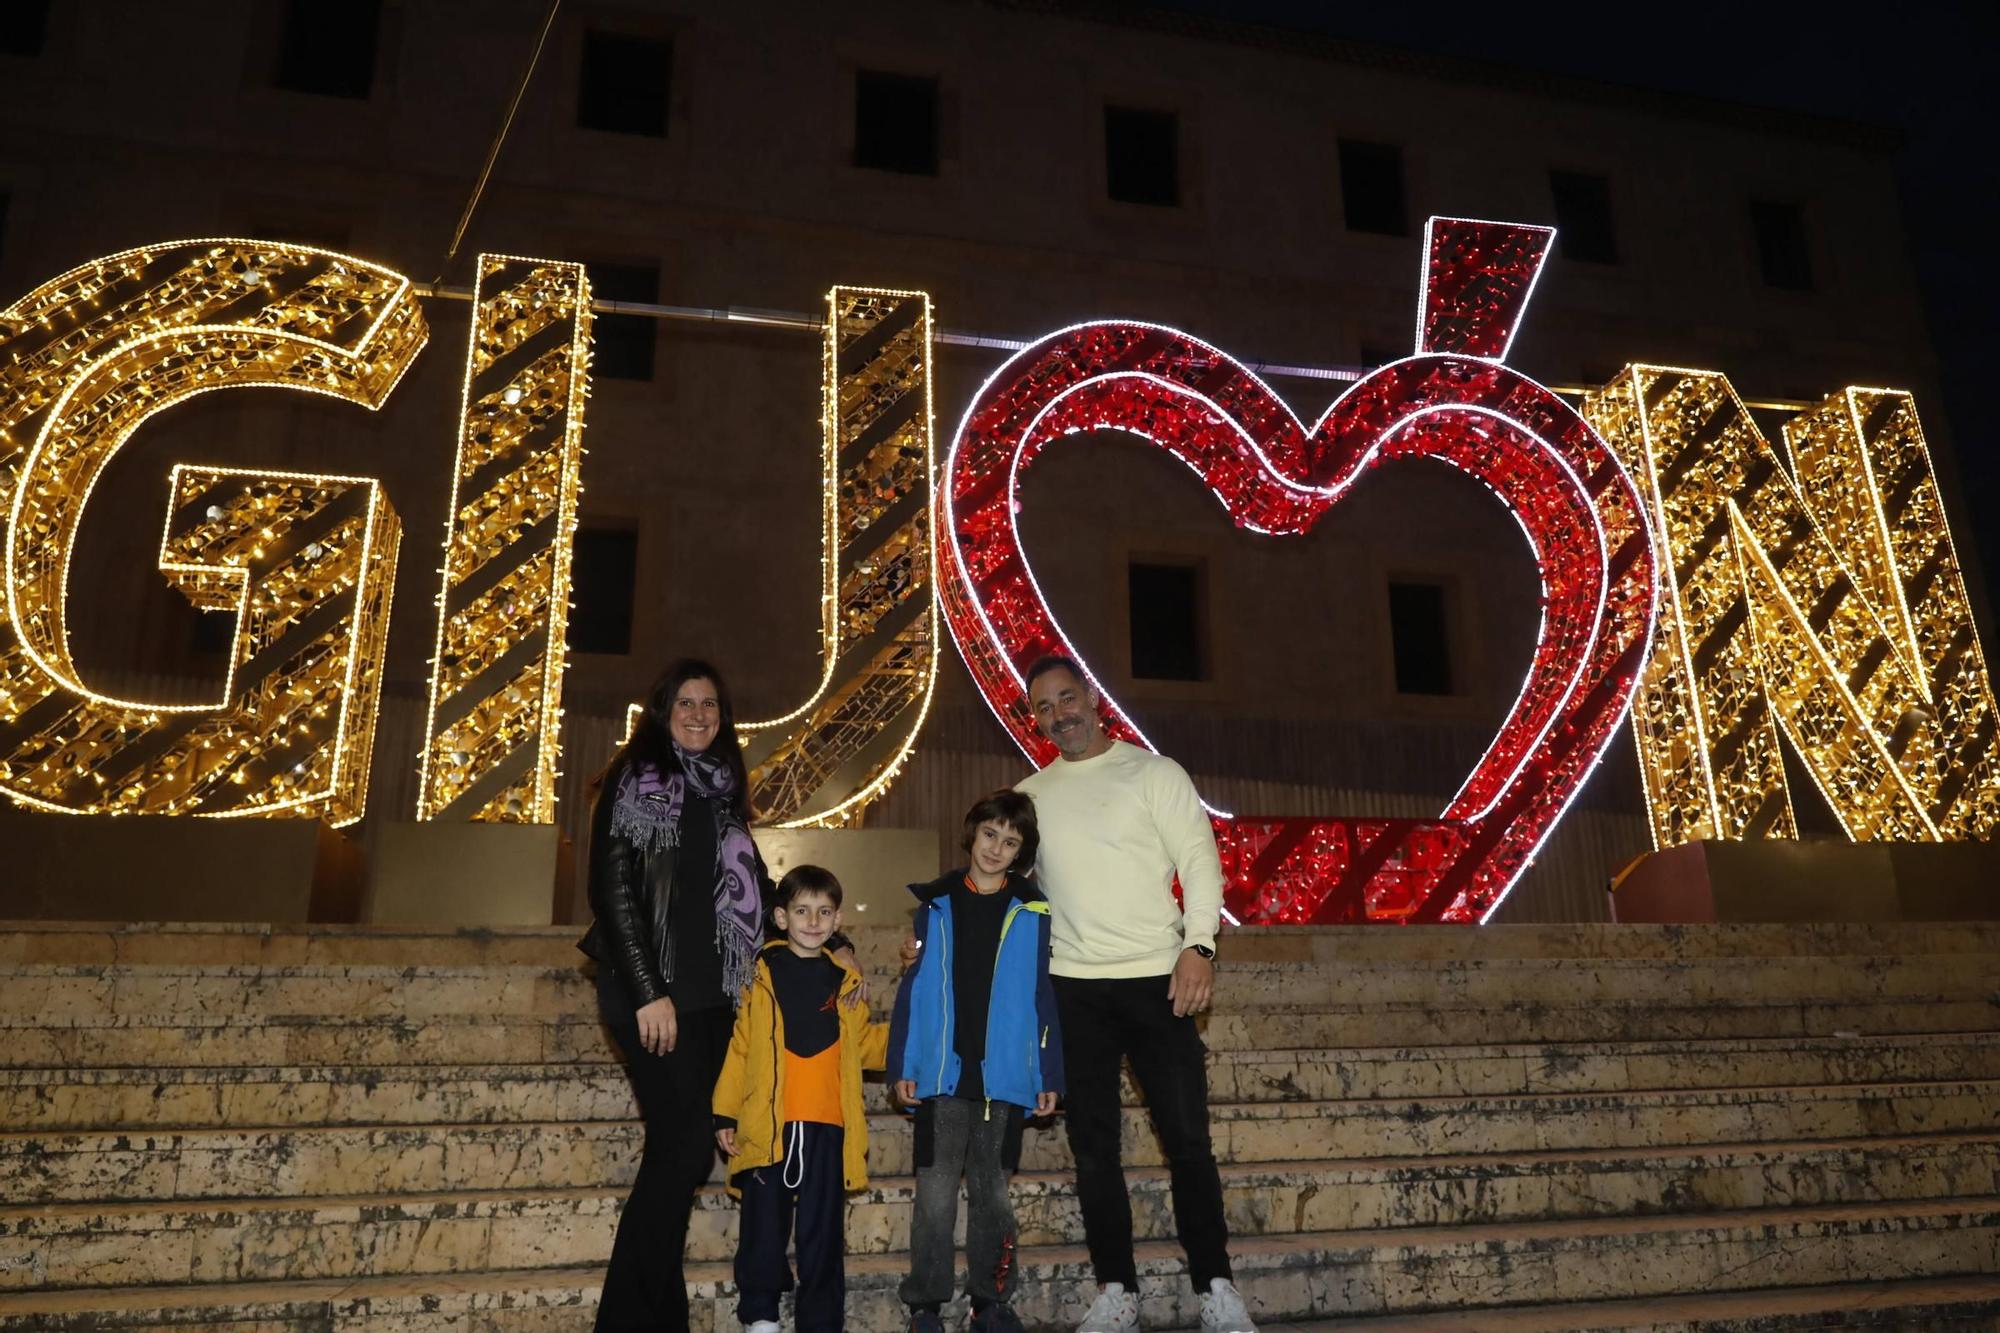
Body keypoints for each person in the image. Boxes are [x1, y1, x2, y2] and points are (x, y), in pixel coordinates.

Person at [579, 658, 861, 1332]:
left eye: (710, 703)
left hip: (713, 1000)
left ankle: (639, 1313)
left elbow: (761, 891)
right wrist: (649, 990)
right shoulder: (634, 779)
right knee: (681, 1149)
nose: (700, 713)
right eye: (685, 701)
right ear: (661, 710)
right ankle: (642, 1317)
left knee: (682, 1152)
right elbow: (613, 891)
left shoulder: (720, 791)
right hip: (650, 995)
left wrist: (832, 941)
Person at [1016, 654, 1256, 1333]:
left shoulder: (1155, 772)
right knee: (1094, 1149)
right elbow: (1004, 885)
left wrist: (1199, 945)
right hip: (1075, 991)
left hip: (1159, 981)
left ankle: (1216, 1287)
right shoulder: (1029, 794)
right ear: (1034, 718)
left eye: (1067, 697)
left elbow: (1198, 857)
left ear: (1090, 697)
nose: (1059, 713)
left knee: (1188, 1141)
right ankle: (1116, 1290)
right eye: (1043, 706)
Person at [886, 790, 1064, 1333]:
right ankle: (926, 1305)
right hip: (942, 1076)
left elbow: (1042, 994)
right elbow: (913, 992)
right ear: (972, 833)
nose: (996, 848)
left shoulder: (1033, 911)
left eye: (1010, 842)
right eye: (990, 834)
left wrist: (1048, 1071)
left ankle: (992, 1301)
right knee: (935, 1196)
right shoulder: (936, 903)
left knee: (993, 1195)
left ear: (1021, 854)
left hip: (1003, 1080)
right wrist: (902, 1065)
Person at [713, 865, 890, 1333]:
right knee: (762, 1230)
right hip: (769, 1125)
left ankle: (820, 1321)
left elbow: (868, 1047)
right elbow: (741, 1047)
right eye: (802, 910)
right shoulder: (761, 975)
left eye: (824, 912)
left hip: (827, 1125)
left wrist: (918, 1028)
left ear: (838, 921)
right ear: (781, 916)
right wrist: (725, 1111)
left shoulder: (846, 984)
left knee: (822, 1236)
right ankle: (761, 1316)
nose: (813, 921)